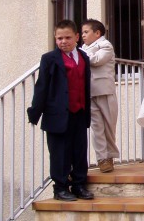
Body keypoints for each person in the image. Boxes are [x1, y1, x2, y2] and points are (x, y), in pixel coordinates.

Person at [27, 20, 94, 201]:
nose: (63, 41)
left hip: (79, 112)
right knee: (60, 153)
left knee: (79, 151)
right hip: (57, 114)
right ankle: (61, 188)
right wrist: (35, 111)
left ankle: (79, 185)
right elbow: (42, 87)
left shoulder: (84, 57)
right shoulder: (49, 59)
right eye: (59, 38)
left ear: (77, 37)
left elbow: (85, 84)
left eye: (67, 37)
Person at [81, 19, 120, 173]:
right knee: (97, 127)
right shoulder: (83, 48)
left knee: (109, 125)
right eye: (82, 32)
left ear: (97, 33)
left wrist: (83, 55)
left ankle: (110, 155)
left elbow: (96, 60)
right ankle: (102, 158)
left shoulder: (105, 45)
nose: (83, 35)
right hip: (90, 91)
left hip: (105, 90)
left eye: (86, 32)